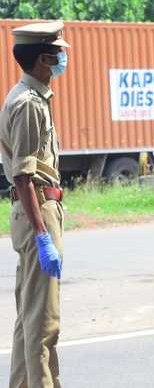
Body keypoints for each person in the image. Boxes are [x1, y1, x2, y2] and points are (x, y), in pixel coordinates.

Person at [1, 21, 69, 388]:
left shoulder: (30, 97)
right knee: (44, 323)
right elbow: (24, 175)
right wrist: (43, 235)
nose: (61, 60)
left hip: (36, 209)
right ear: (43, 59)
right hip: (37, 209)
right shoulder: (28, 104)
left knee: (28, 319)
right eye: (57, 54)